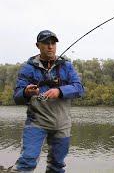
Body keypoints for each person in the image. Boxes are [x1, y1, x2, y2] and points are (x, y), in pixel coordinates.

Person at [11, 30, 84, 173]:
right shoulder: (28, 68)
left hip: (62, 123)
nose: (50, 46)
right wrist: (26, 92)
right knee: (27, 161)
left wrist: (60, 91)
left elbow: (79, 88)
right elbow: (17, 96)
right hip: (36, 122)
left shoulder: (66, 66)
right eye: (46, 43)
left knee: (57, 165)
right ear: (38, 45)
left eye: (53, 43)